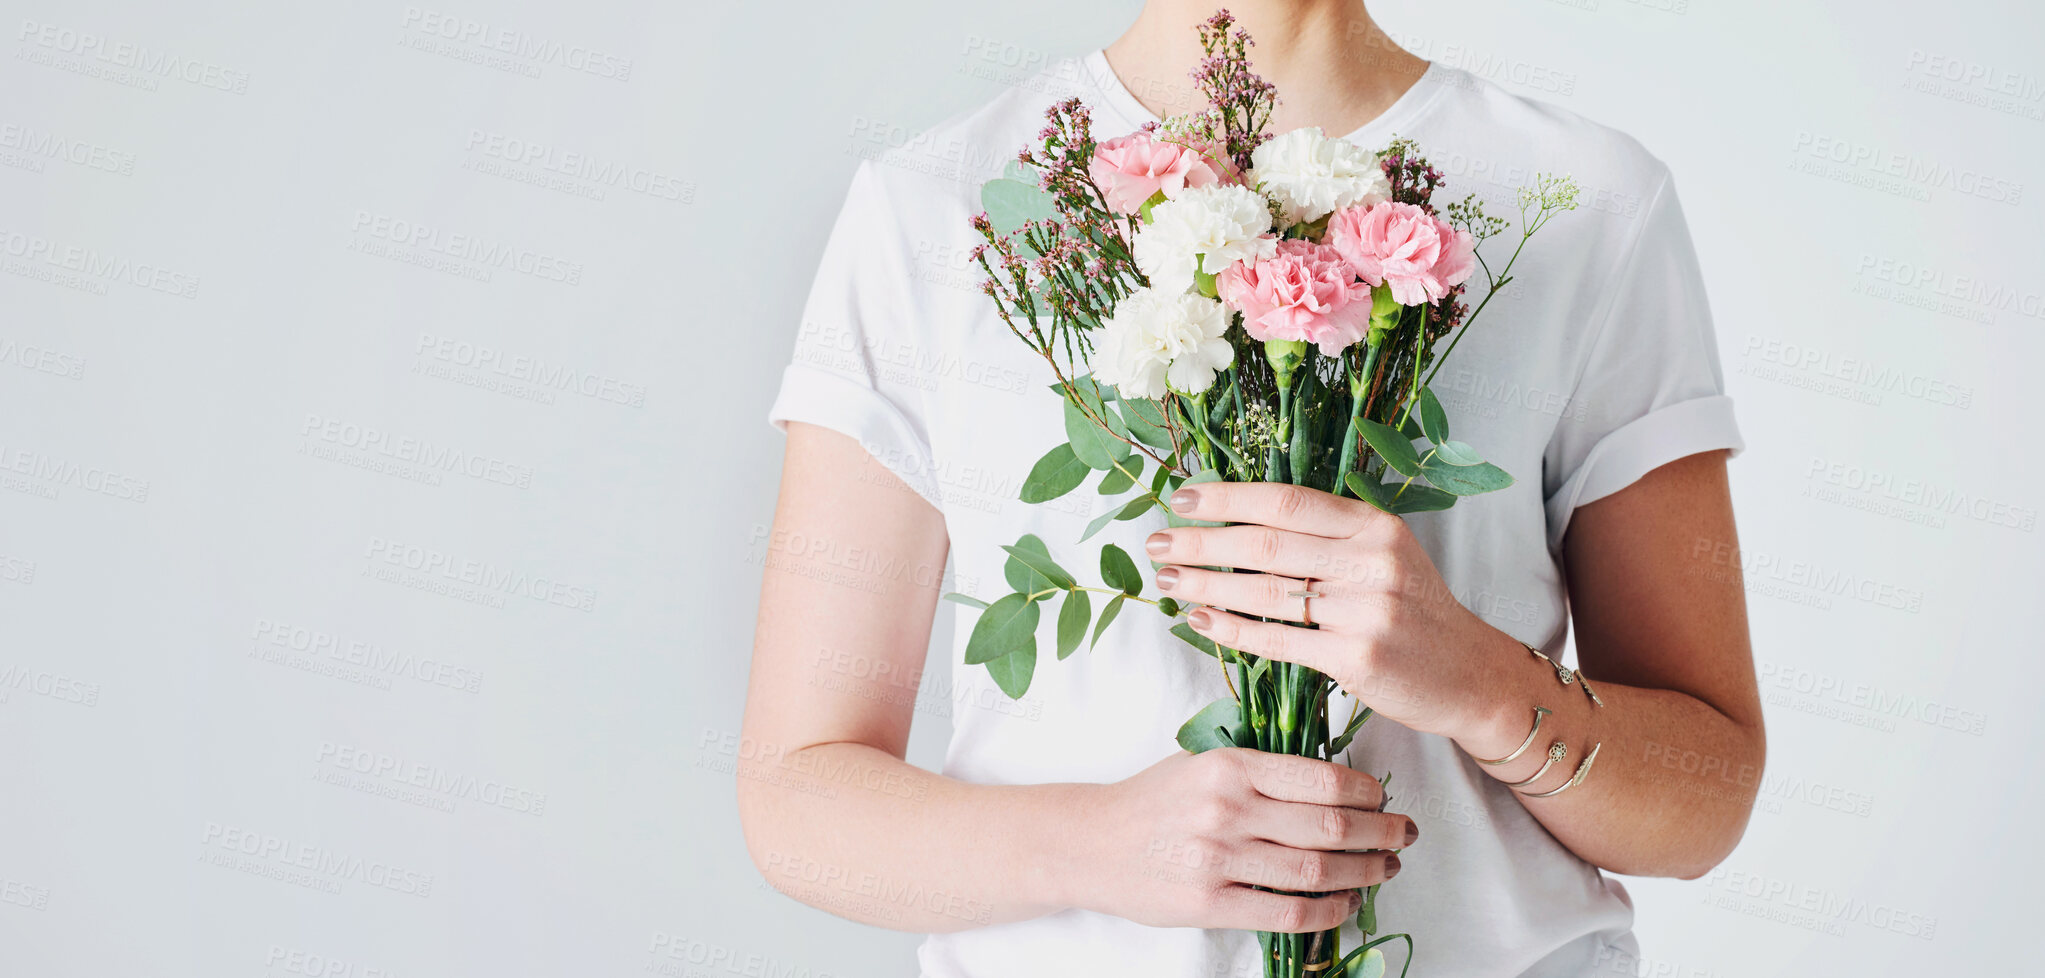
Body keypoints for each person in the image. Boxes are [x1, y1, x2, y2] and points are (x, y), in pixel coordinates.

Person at [739, 1, 1765, 975]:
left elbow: (1703, 798)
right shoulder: (931, 204)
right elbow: (797, 794)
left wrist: (1480, 683)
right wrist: (1092, 845)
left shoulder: (1587, 199)